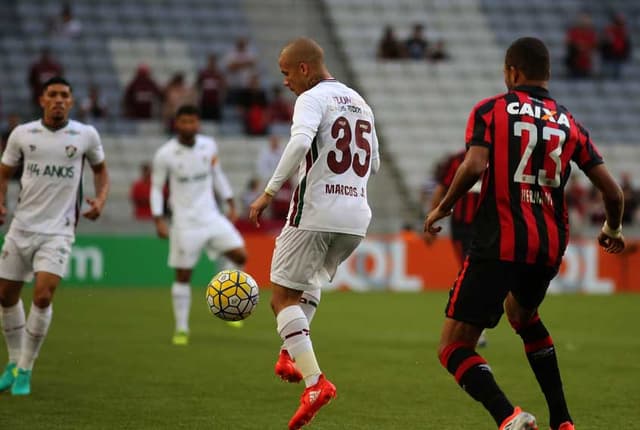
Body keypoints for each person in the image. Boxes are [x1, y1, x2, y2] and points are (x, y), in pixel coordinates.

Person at [425, 37, 625, 430]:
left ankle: (509, 417)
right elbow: (613, 192)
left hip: (500, 239)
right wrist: (611, 228)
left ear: (512, 72)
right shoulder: (570, 123)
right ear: (547, 74)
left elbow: (474, 166)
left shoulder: (491, 111)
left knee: (453, 346)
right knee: (522, 313)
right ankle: (563, 420)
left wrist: (444, 206)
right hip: (548, 245)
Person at [249, 37, 380, 430]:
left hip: (315, 211)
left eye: (287, 73)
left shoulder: (311, 99)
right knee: (308, 282)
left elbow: (300, 142)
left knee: (282, 298)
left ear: (304, 69)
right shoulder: (360, 102)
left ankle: (315, 383)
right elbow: (373, 163)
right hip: (356, 217)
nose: (285, 82)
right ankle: (290, 351)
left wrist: (269, 191)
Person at [0, 76, 110, 396]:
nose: (59, 100)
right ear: (42, 100)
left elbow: (101, 170)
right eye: (53, 95)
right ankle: (12, 363)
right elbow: (4, 172)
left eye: (64, 95)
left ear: (72, 102)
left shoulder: (85, 135)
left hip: (58, 231)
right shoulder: (22, 134)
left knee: (43, 296)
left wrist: (100, 200)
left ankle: (25, 368)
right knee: (5, 296)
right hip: (21, 227)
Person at [151, 105, 248, 345]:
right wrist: (158, 219)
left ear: (198, 123)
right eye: (184, 122)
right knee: (183, 275)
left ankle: (226, 302)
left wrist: (229, 201)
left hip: (211, 216)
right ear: (177, 124)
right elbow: (156, 188)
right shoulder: (165, 154)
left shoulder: (208, 145)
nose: (188, 126)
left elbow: (217, 175)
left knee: (240, 255)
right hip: (184, 223)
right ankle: (182, 328)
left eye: (192, 121)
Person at [424, 150, 487, 347]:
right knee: (470, 274)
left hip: (488, 228)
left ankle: (474, 326)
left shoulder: (498, 159)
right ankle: (474, 328)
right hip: (463, 228)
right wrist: (432, 220)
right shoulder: (458, 161)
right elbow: (441, 190)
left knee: (479, 276)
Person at [565, 13, 597, 78]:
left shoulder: (591, 34)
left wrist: (583, 46)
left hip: (586, 62)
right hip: (574, 61)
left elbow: (594, 45)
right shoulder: (574, 32)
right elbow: (569, 43)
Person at [600, 13, 631, 79]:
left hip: (620, 57)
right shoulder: (609, 30)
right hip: (609, 57)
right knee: (607, 77)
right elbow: (604, 43)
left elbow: (626, 45)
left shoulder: (624, 31)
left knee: (618, 77)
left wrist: (625, 55)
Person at [196, 54, 226, 121]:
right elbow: (197, 86)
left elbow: (223, 87)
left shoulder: (219, 75)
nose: (212, 64)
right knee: (204, 121)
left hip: (215, 102)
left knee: (215, 121)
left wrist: (222, 97)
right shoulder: (203, 74)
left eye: (213, 62)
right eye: (210, 62)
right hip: (205, 102)